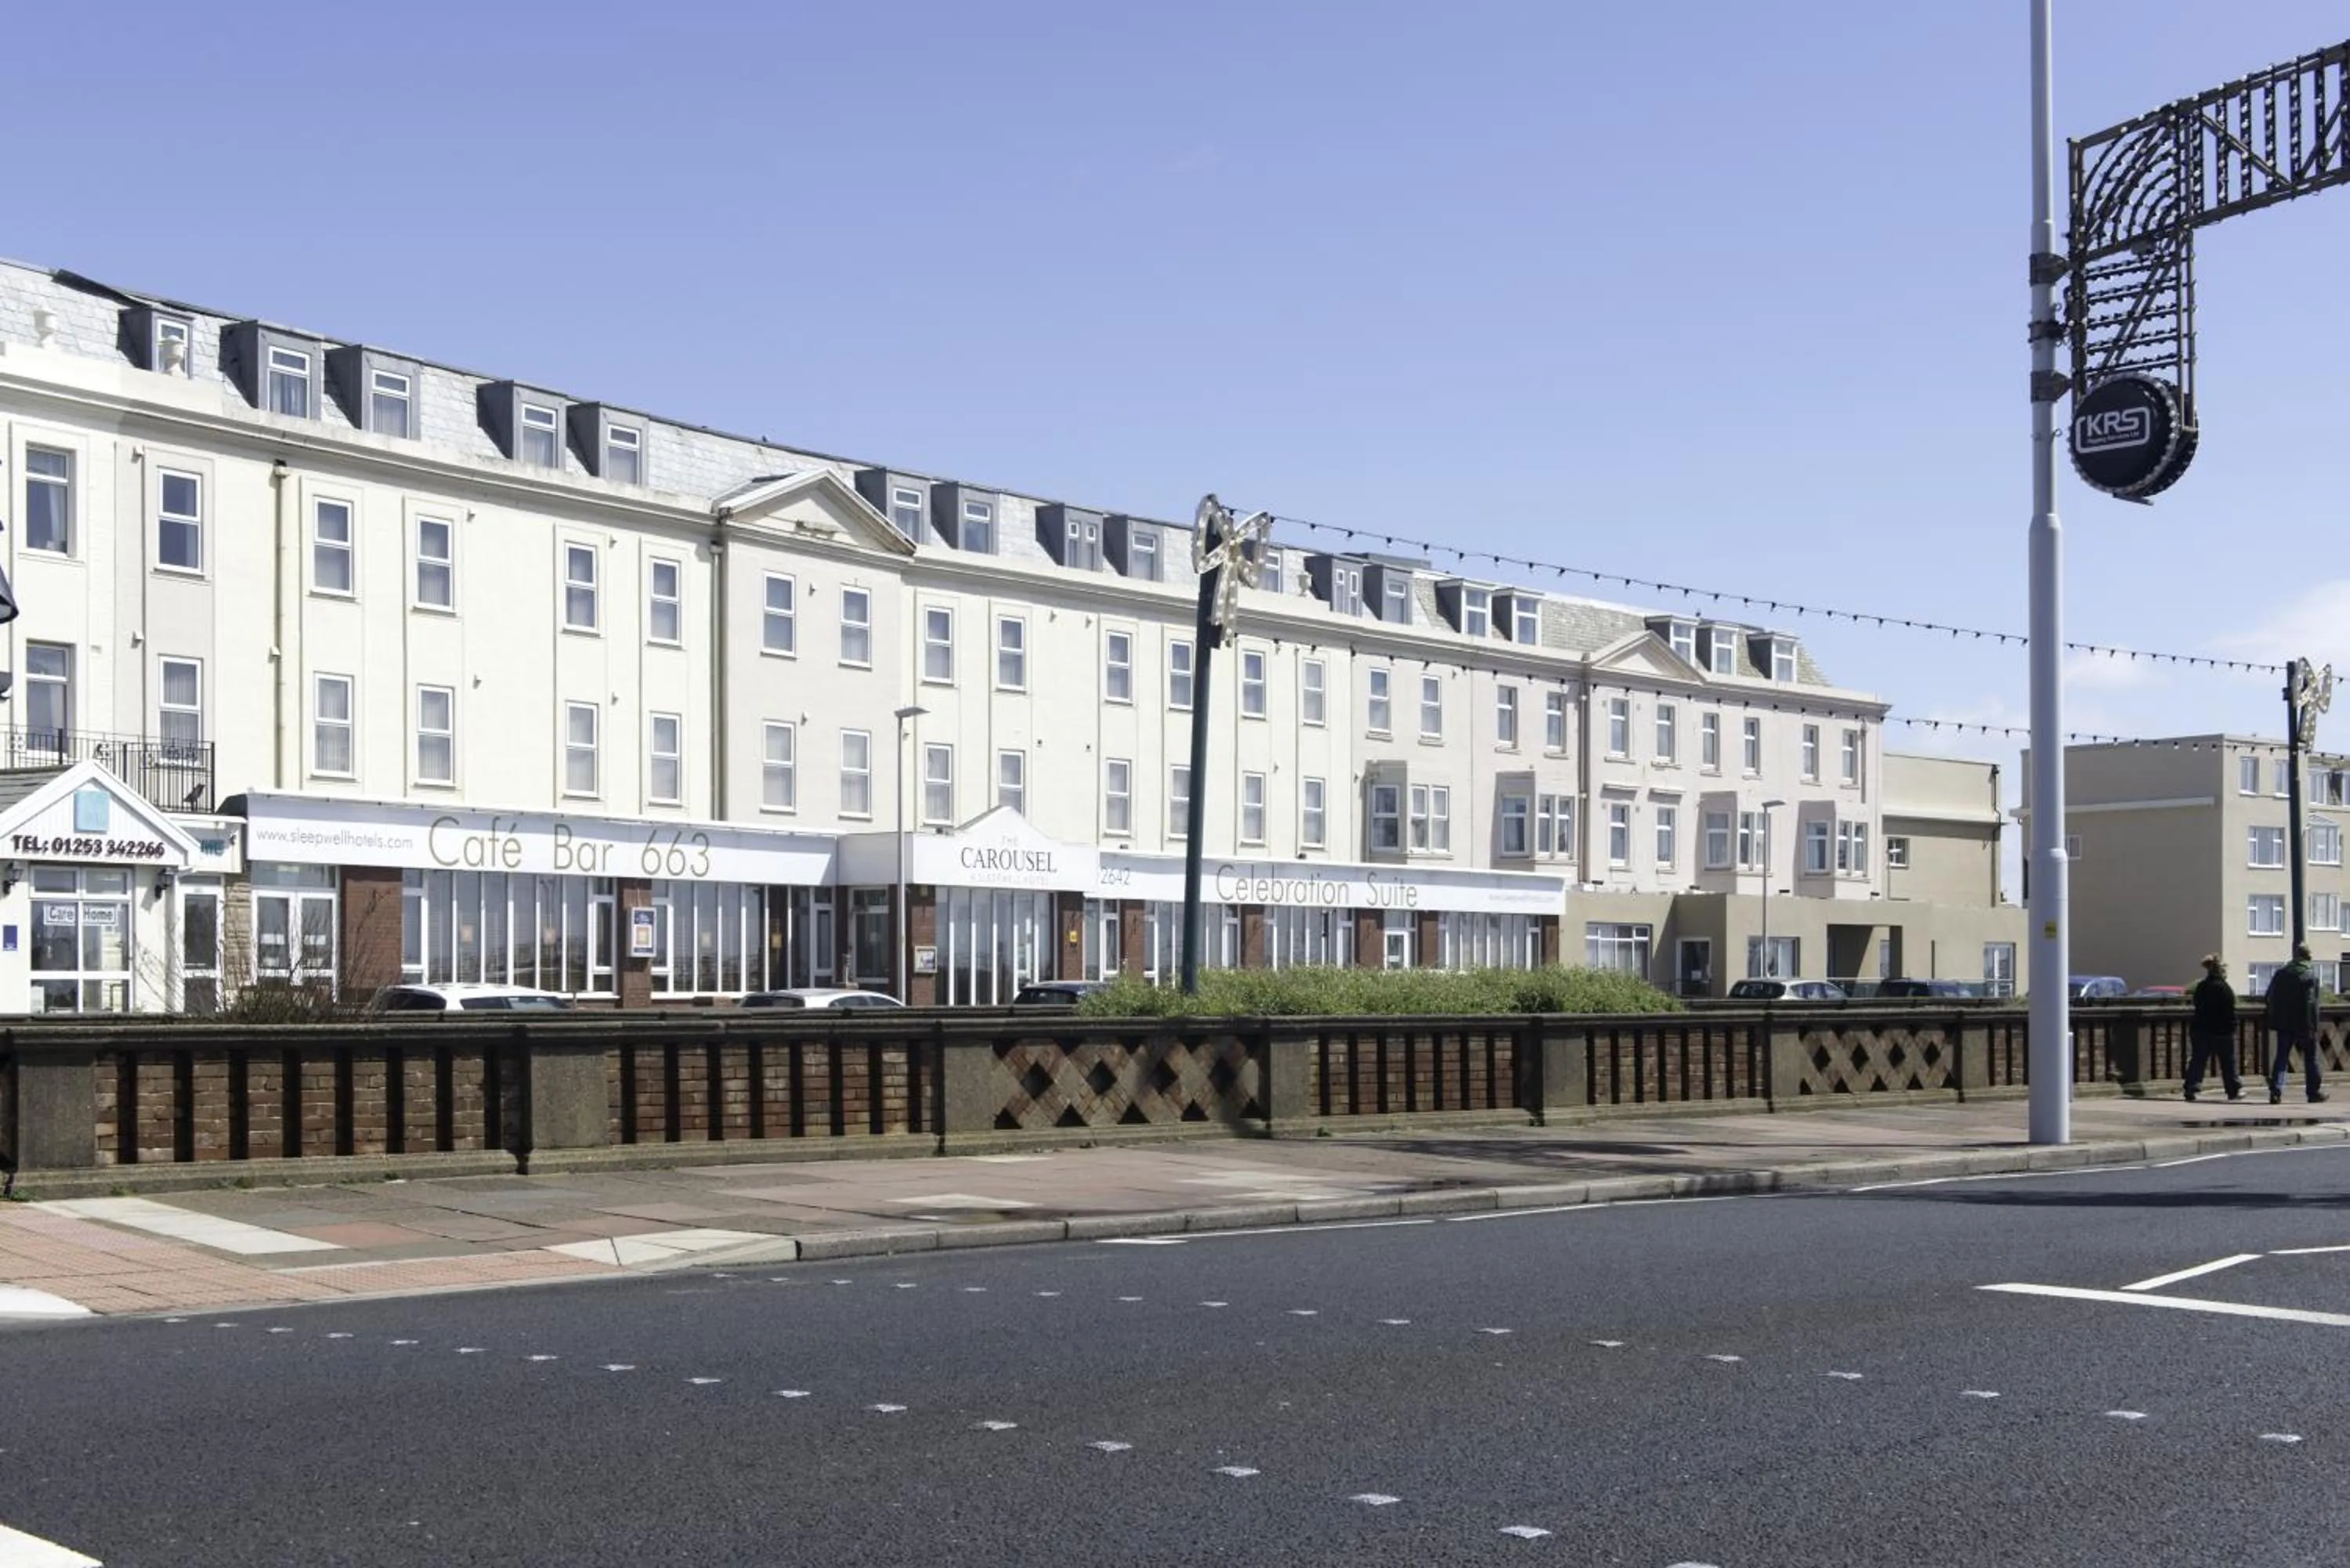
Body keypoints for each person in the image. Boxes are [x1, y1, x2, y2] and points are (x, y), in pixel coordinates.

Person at [2264, 943, 2328, 1105]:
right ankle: (2313, 1092)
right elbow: (2315, 1003)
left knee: (2281, 1058)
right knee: (2310, 1058)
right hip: (2305, 1023)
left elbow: (2269, 996)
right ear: (2308, 957)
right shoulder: (2310, 975)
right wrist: (2314, 1023)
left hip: (2285, 1023)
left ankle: (2276, 1091)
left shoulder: (2281, 974)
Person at [2186, 955, 2242, 1101]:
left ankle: (2191, 1087)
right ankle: (2233, 1090)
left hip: (2201, 1028)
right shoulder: (2224, 988)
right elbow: (2230, 1010)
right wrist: (2233, 1026)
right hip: (2222, 1031)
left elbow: (2198, 1006)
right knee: (2228, 1062)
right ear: (2221, 971)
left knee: (2198, 1060)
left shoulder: (2202, 986)